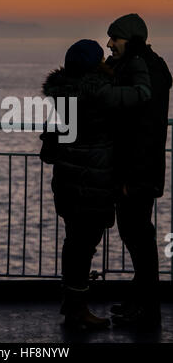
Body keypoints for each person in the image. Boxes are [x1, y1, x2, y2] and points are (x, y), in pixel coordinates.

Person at [40, 39, 152, 329]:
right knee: (84, 246)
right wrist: (138, 64)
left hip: (67, 182)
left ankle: (71, 303)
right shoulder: (100, 94)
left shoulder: (63, 95)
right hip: (91, 183)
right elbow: (141, 95)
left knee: (74, 243)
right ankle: (78, 310)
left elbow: (58, 140)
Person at [105, 14, 172, 328]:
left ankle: (147, 309)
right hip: (139, 170)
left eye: (114, 38)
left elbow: (144, 132)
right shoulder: (146, 66)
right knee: (137, 238)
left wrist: (132, 178)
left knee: (140, 240)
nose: (109, 44)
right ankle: (140, 303)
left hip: (137, 172)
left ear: (129, 40)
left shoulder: (144, 71)